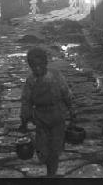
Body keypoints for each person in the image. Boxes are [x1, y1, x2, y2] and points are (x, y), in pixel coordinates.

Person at [19, 47, 75, 177]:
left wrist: (72, 109)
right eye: (34, 66)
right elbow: (26, 100)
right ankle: (48, 165)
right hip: (40, 118)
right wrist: (24, 119)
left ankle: (51, 173)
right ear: (30, 66)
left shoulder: (56, 75)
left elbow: (66, 93)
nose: (37, 68)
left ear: (45, 63)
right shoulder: (31, 81)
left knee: (55, 149)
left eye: (40, 65)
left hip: (57, 116)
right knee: (43, 149)